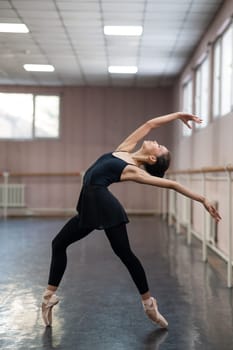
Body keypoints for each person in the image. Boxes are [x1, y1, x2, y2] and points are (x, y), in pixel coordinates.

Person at [41, 112, 221, 328]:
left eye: (160, 147)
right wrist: (178, 116)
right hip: (90, 208)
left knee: (126, 255)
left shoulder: (133, 171)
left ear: (152, 158)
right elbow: (150, 123)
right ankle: (48, 298)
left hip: (106, 208)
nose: (157, 141)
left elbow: (172, 185)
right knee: (58, 243)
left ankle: (148, 304)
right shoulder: (124, 150)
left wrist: (202, 199)